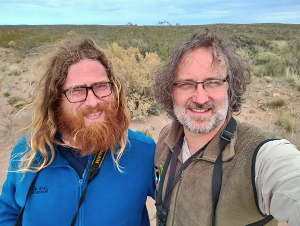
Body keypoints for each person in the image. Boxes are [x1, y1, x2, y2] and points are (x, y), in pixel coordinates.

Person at [0, 37, 156, 226]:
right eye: (77, 90)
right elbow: (8, 213)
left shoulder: (142, 152)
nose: (93, 101)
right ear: (57, 99)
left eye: (101, 86)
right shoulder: (28, 152)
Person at [154, 30, 300, 226]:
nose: (200, 98)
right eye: (186, 84)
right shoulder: (165, 139)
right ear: (170, 91)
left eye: (213, 82)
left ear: (229, 88)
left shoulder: (259, 157)